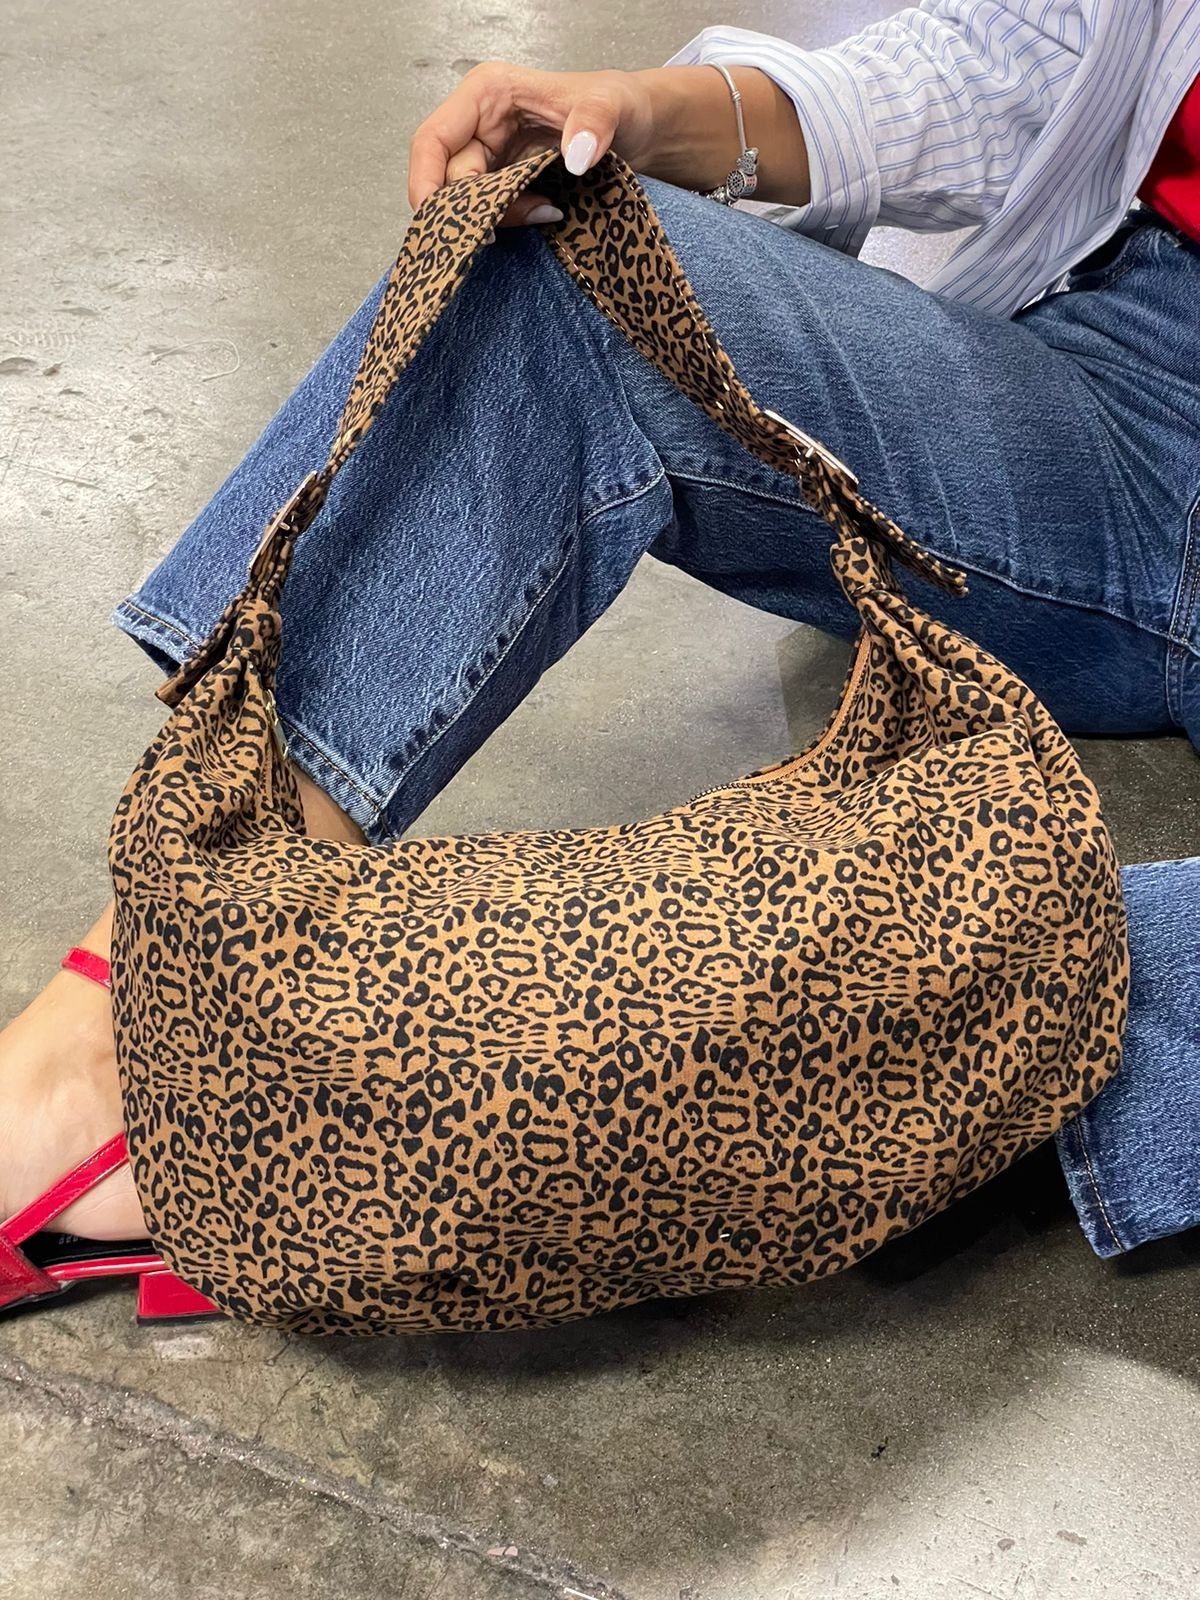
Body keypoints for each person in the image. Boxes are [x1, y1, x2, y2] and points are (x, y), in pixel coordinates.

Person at [2, 1, 1197, 1317]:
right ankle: (112, 1053)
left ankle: (357, 1137)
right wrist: (649, 115)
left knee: (979, 926)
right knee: (563, 260)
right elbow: (1027, 55)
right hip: (1135, 349)